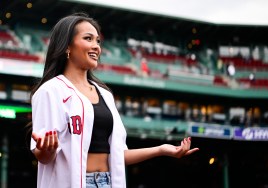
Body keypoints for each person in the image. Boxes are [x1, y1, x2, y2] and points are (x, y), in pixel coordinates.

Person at [29, 12, 199, 188]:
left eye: (98, 41)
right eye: (88, 39)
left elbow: (118, 156)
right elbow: (43, 156)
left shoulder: (105, 94)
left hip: (108, 182)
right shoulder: (50, 91)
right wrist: (46, 150)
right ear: (67, 46)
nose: (96, 46)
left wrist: (161, 149)